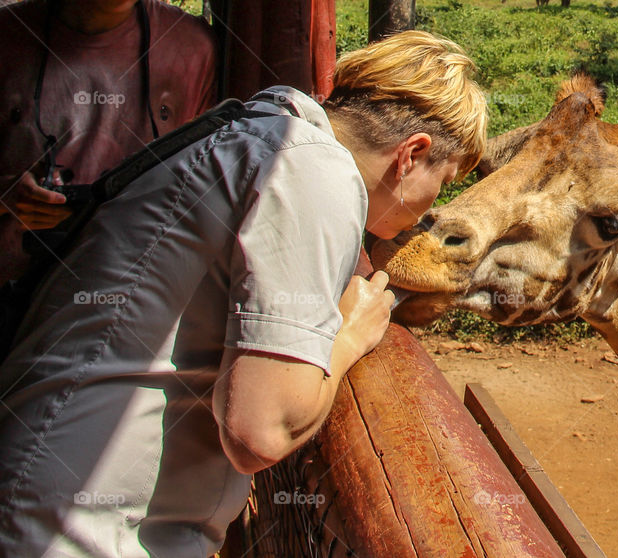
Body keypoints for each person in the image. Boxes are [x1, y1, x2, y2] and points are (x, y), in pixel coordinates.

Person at [0, 30, 487, 557]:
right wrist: (349, 336)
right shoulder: (315, 170)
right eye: (448, 178)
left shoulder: (261, 131)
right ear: (411, 155)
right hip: (73, 533)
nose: (431, 206)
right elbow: (260, 431)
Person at [0, 0, 217, 284]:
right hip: (16, 301)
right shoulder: (8, 36)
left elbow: (213, 184)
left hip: (138, 297)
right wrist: (6, 195)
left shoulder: (193, 47)